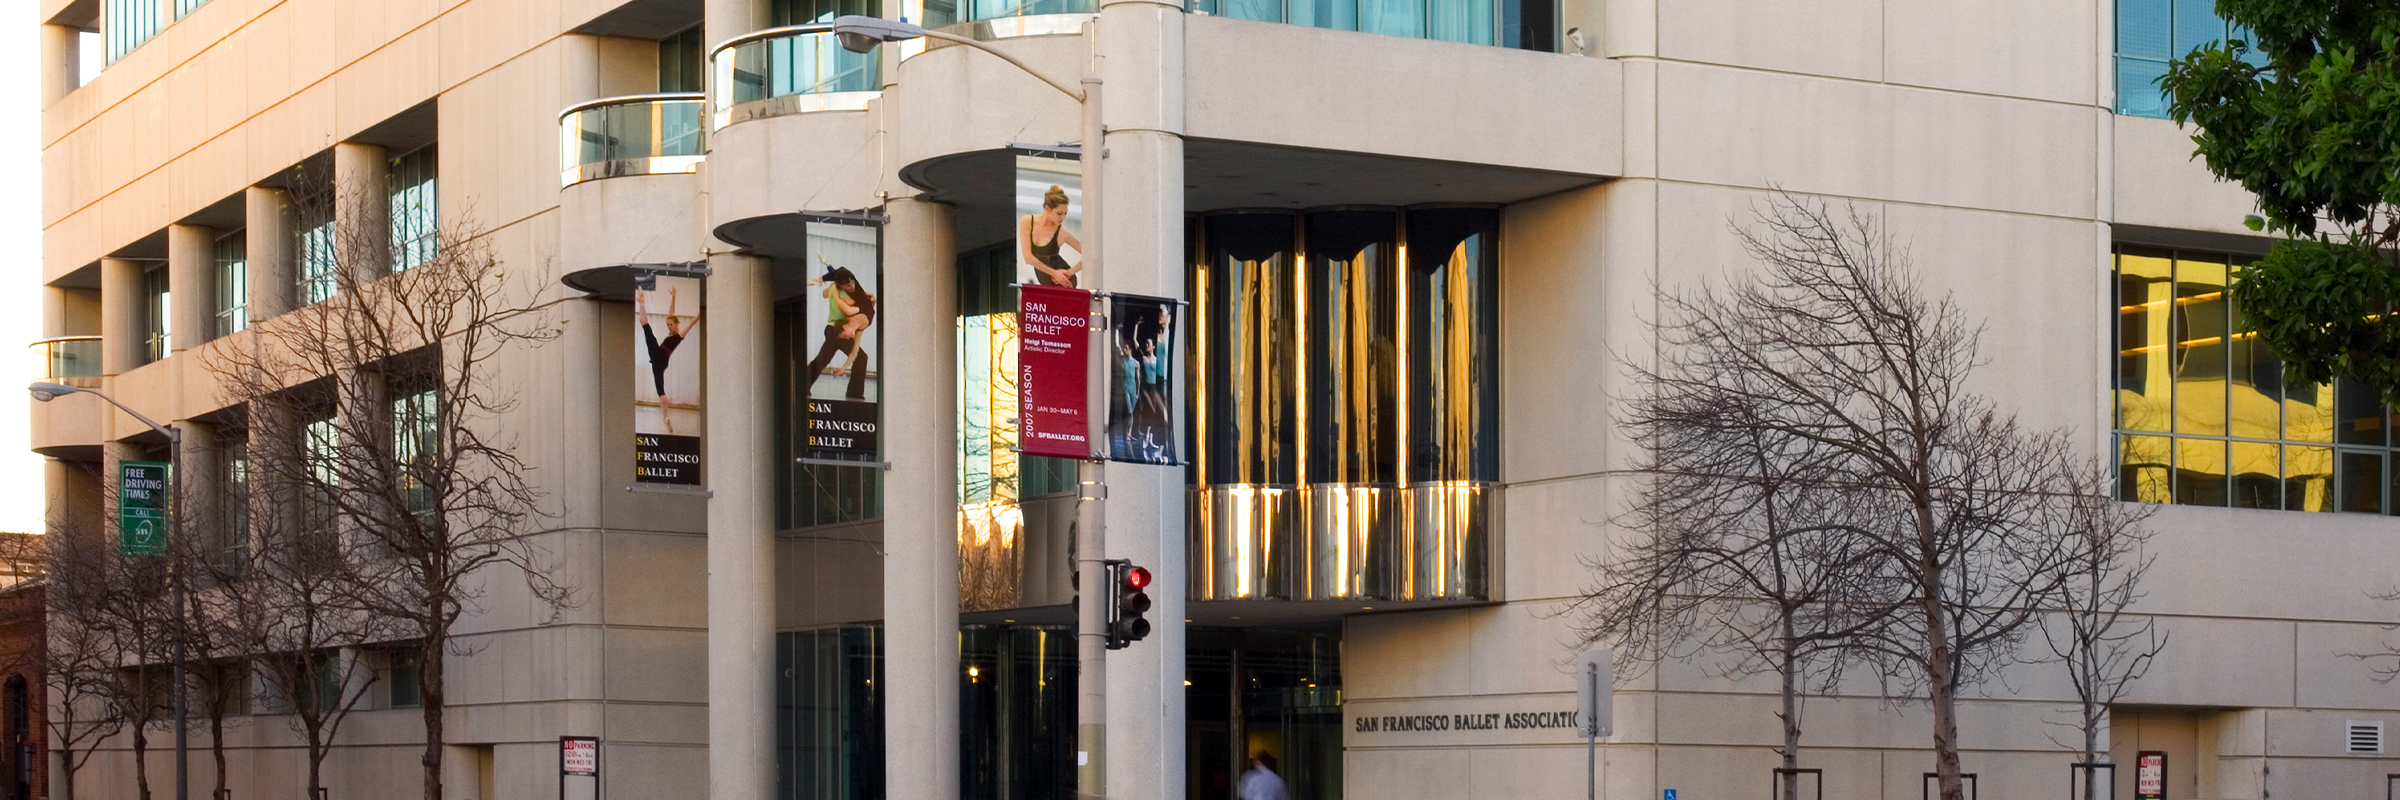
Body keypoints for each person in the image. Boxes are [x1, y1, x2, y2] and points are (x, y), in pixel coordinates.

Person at [801, 266, 873, 400]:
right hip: (838, 329)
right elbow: (848, 309)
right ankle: (854, 393)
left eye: (852, 283)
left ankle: (803, 385)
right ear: (842, 285)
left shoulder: (846, 288)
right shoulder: (847, 297)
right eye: (848, 285)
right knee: (859, 358)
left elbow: (837, 275)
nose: (852, 287)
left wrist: (824, 281)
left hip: (833, 328)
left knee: (823, 358)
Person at [638, 281, 700, 433]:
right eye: (667, 324)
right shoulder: (672, 332)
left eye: (671, 324)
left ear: (677, 325)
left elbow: (690, 324)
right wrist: (673, 296)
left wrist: (700, 314)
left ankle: (642, 303)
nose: (668, 326)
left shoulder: (679, 335)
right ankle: (665, 418)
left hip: (661, 357)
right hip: (657, 357)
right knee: (662, 394)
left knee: (646, 326)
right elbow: (671, 311)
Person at [1020, 184, 1086, 286]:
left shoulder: (1062, 233)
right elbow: (1028, 258)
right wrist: (1054, 273)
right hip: (1050, 278)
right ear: (1047, 209)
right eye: (1059, 213)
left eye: (1065, 214)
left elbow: (1089, 255)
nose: (1062, 218)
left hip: (1065, 281)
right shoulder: (1027, 222)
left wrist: (1070, 272)